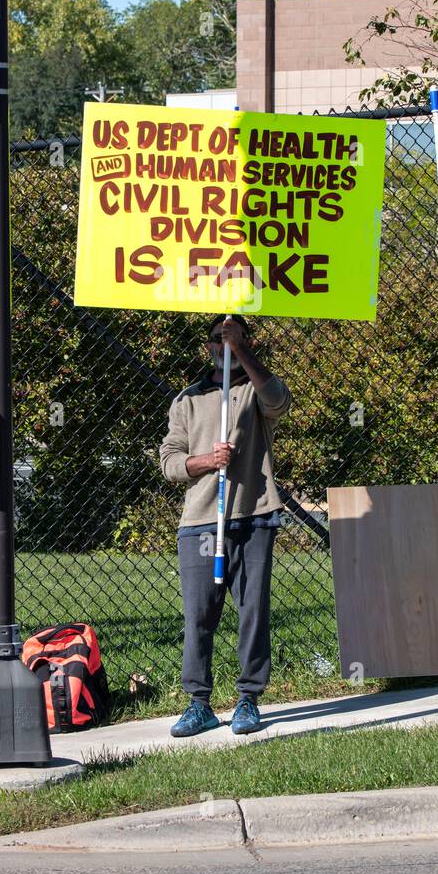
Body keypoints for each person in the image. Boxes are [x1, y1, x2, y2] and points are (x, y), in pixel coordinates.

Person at [159, 313, 292, 737]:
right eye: (218, 338)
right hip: (200, 521)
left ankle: (249, 698)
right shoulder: (188, 399)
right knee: (200, 615)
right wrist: (205, 461)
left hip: (254, 515)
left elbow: (279, 401)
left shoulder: (256, 390)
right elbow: (169, 461)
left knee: (252, 609)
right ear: (208, 345)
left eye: (232, 337)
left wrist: (244, 352)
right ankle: (199, 703)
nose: (225, 344)